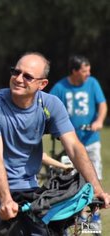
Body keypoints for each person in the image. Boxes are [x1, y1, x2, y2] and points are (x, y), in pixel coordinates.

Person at [0, 52, 110, 234]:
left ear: (42, 84)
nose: (18, 79)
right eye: (15, 72)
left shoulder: (50, 105)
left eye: (27, 76)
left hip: (27, 187)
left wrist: (96, 189)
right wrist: (5, 200)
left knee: (54, 229)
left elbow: (74, 147)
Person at [50, 54, 108, 228]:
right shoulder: (60, 87)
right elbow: (48, 106)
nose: (88, 74)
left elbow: (102, 105)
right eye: (84, 71)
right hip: (70, 143)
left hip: (91, 140)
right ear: (74, 71)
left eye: (89, 70)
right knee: (75, 179)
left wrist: (98, 121)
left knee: (93, 176)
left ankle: (95, 217)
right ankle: (80, 215)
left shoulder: (93, 83)